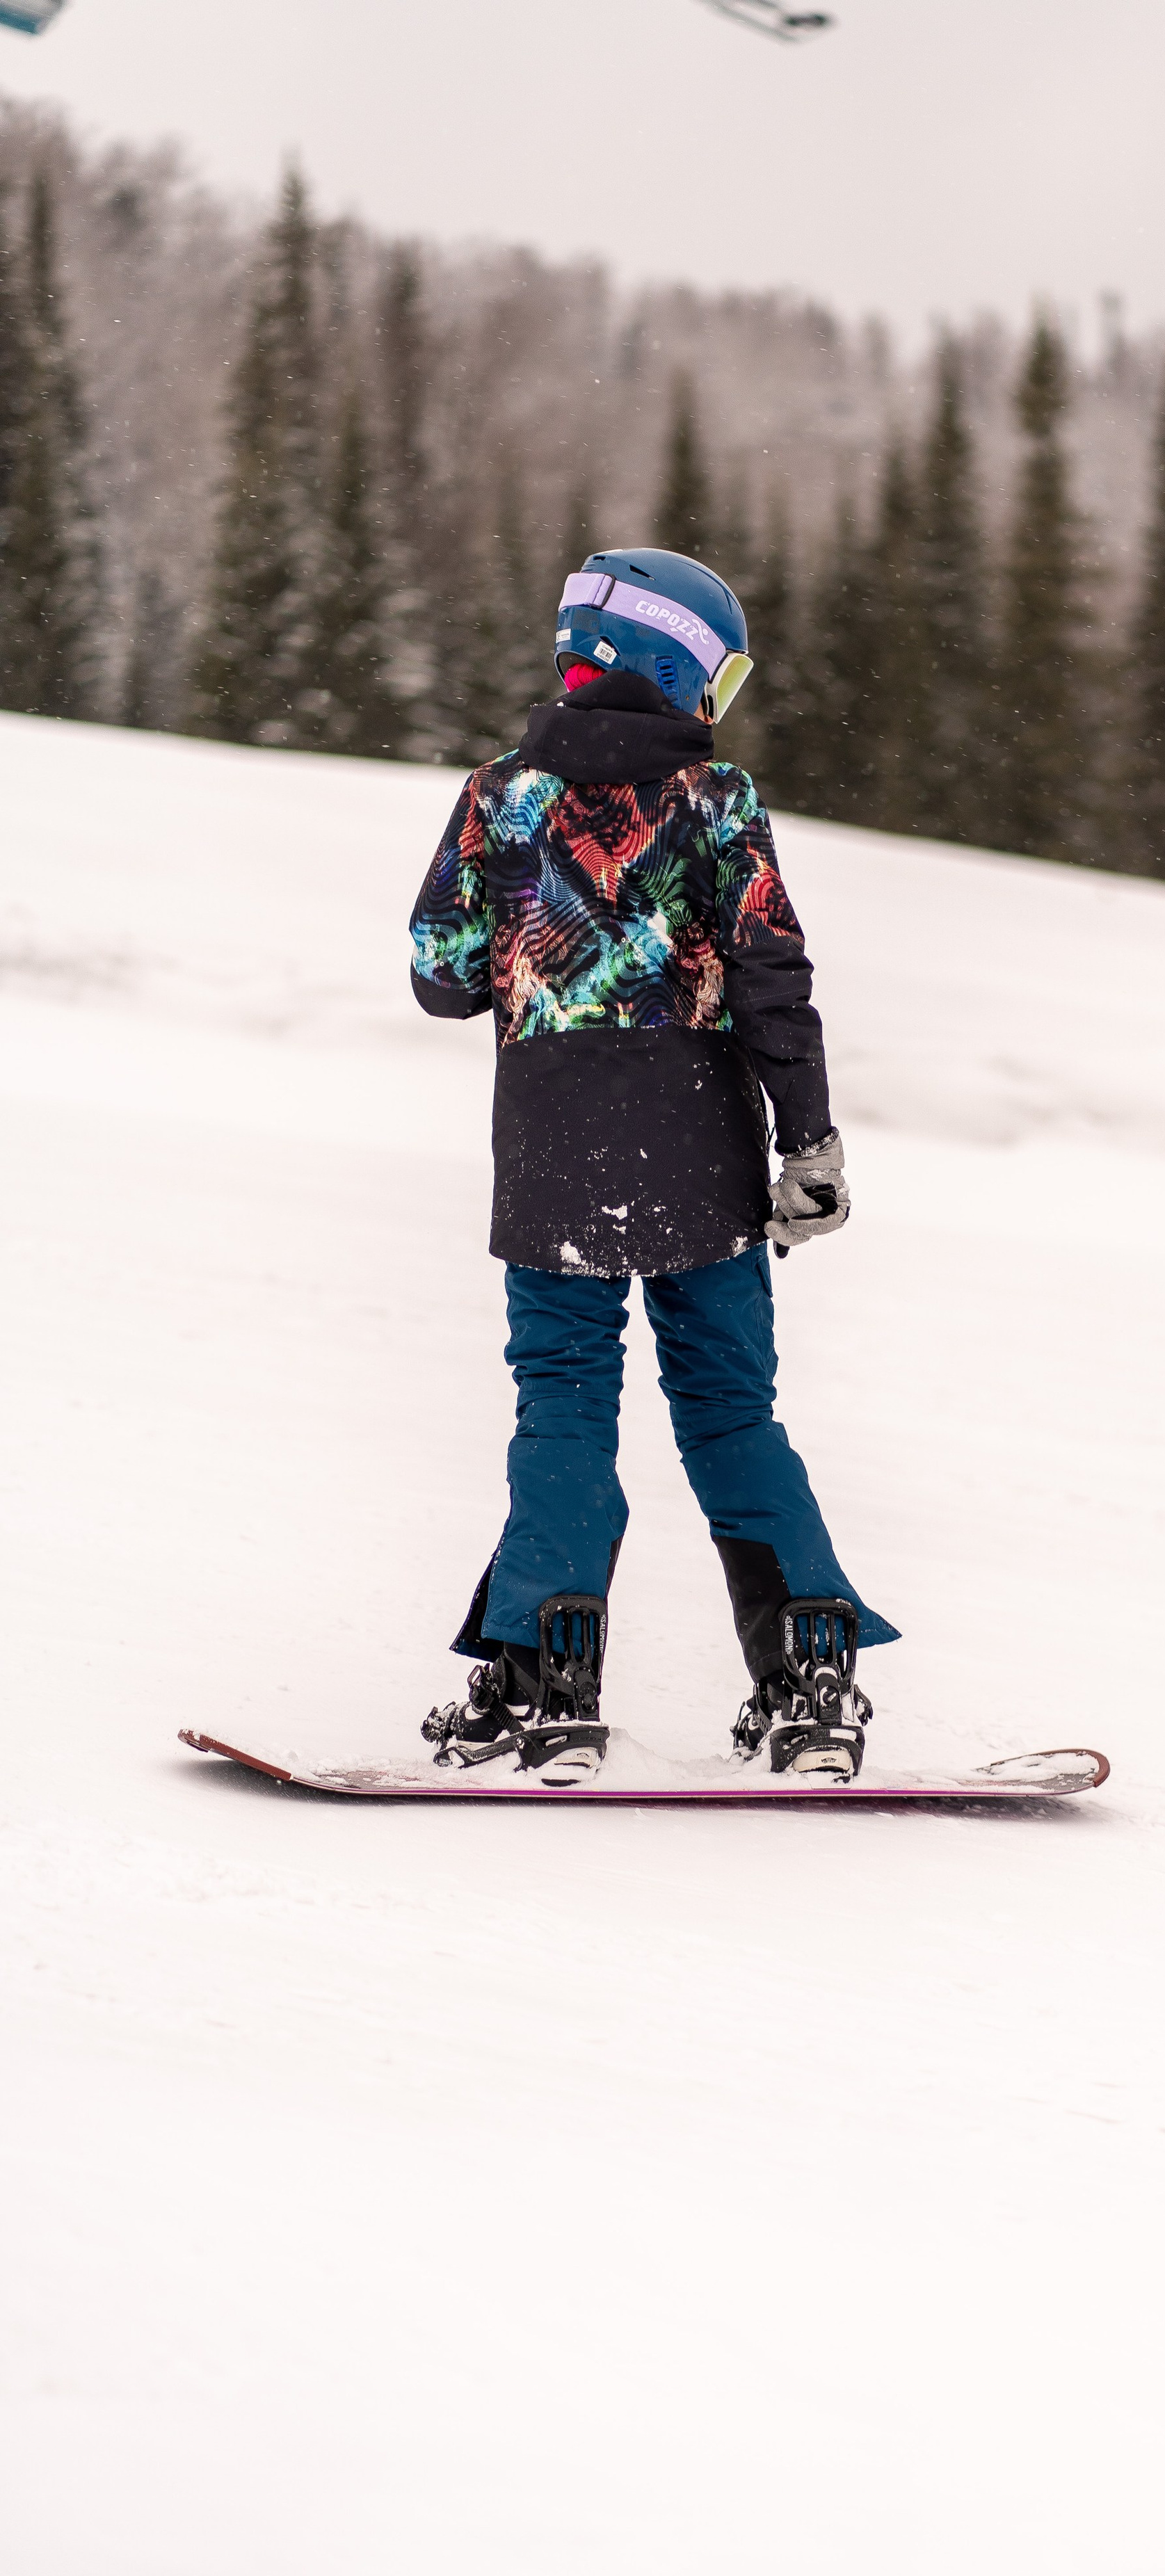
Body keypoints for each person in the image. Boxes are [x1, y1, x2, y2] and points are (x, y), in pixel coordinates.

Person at [408, 547, 896, 1779]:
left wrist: (534, 947)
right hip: (705, 1163)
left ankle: (546, 1678)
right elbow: (775, 980)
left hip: (553, 1161)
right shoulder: (719, 804)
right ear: (678, 669)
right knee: (733, 1412)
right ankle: (811, 1679)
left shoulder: (499, 800)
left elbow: (440, 976)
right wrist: (811, 1141)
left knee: (564, 1406)